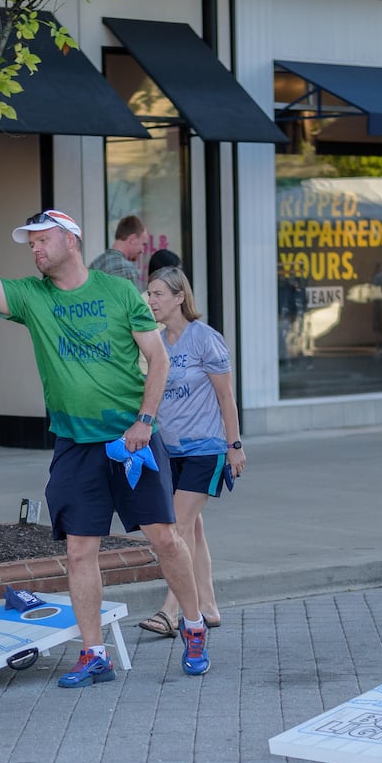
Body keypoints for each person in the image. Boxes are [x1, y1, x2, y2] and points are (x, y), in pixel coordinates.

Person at [0, 189, 210, 687]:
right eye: (30, 243)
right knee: (79, 550)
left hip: (132, 439)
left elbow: (158, 360)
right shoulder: (32, 298)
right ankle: (93, 652)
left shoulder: (119, 292)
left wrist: (145, 419)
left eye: (41, 240)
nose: (34, 250)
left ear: (70, 241)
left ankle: (194, 624)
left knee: (163, 538)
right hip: (75, 445)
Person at [134, 267, 246, 675]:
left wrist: (234, 446)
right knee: (193, 531)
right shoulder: (157, 343)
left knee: (177, 529)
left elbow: (226, 398)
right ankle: (208, 606)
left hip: (206, 449)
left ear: (180, 297)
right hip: (170, 451)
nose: (151, 300)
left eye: (159, 293)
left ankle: (173, 611)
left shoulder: (206, 338)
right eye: (149, 293)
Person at [88, 214, 147, 291]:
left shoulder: (95, 264)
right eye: (143, 244)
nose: (142, 250)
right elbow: (136, 302)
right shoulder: (126, 269)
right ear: (133, 239)